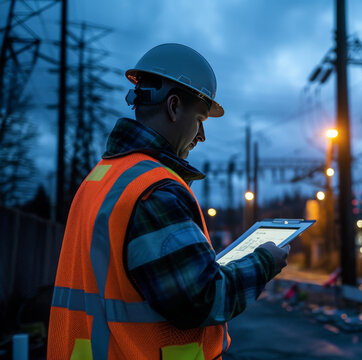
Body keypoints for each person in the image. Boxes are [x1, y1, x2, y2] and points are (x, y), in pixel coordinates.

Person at [47, 43, 290, 359]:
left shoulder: (101, 177)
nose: (201, 135)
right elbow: (203, 298)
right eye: (200, 118)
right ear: (174, 107)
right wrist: (265, 262)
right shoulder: (155, 191)